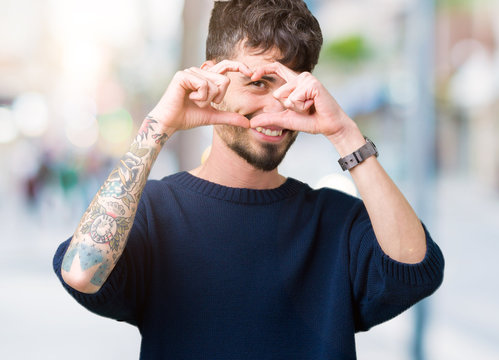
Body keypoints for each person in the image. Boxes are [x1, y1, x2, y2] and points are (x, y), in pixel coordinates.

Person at [53, 0, 444, 358]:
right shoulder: (156, 212)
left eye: (292, 86)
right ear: (210, 81)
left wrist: (345, 134)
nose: (278, 106)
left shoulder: (337, 220)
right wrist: (157, 127)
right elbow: (82, 272)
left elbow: (414, 268)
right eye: (259, 83)